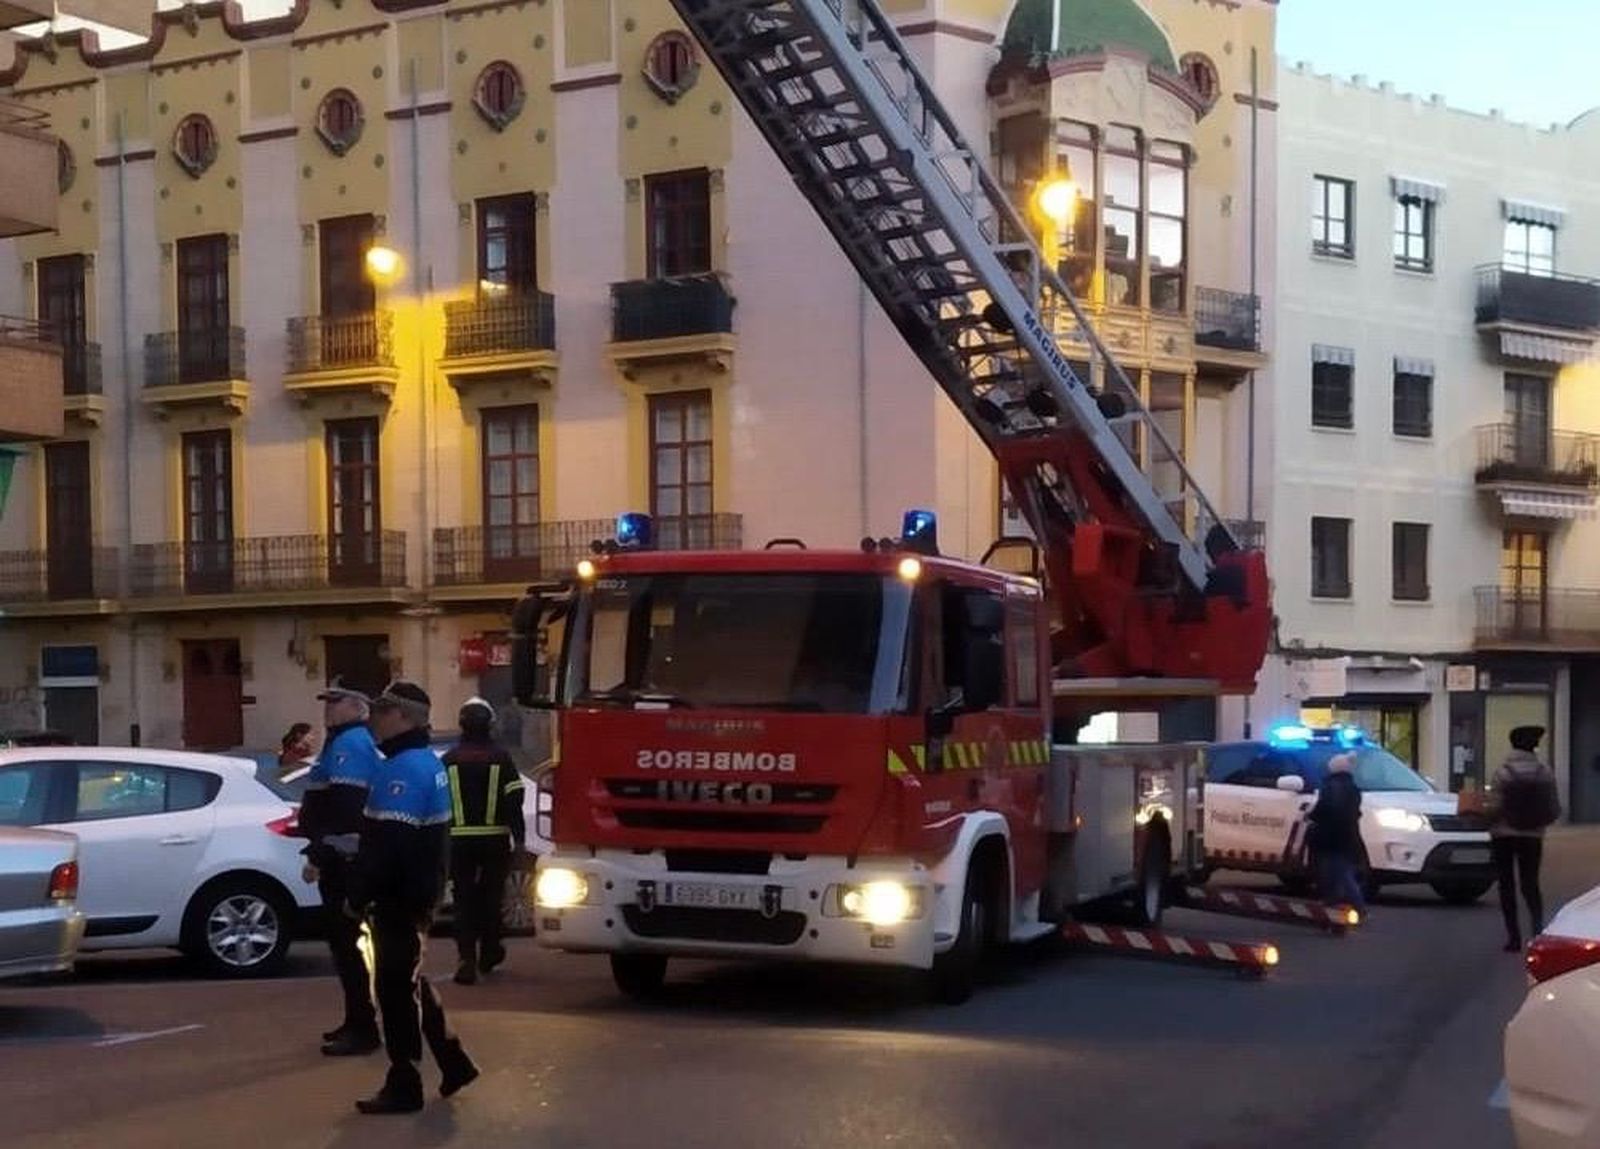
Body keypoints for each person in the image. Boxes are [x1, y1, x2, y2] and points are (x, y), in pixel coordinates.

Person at [347, 680, 478, 1115]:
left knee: (393, 991)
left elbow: (387, 846)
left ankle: (404, 1082)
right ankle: (453, 1059)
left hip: (398, 898)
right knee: (409, 980)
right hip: (420, 892)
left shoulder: (402, 769)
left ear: (402, 717)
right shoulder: (428, 762)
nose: (374, 720)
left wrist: (358, 894)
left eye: (382, 712)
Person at [297, 681, 381, 1057]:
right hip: (339, 856)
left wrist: (323, 853)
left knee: (347, 946)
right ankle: (356, 1019)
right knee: (344, 947)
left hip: (344, 861)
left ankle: (363, 1026)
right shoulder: (340, 742)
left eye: (337, 702)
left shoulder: (351, 744)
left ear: (359, 707)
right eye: (327, 702)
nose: (328, 709)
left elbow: (346, 811)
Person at [443, 697, 527, 985]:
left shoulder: (449, 760)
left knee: (463, 900)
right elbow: (515, 799)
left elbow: (439, 803)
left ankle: (466, 958)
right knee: (492, 898)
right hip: (494, 840)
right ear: (490, 725)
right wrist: (520, 840)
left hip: (458, 842)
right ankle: (490, 950)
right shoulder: (501, 758)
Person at [1488, 725, 1561, 953]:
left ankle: (1513, 938)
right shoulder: (1545, 772)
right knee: (1531, 884)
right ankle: (1537, 933)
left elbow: (1496, 806)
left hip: (1503, 835)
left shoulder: (1503, 772)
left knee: (1506, 884)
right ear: (1534, 747)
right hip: (1532, 835)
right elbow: (1555, 808)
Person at [1305, 752, 1366, 913]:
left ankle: (1353, 906)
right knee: (1341, 871)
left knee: (1334, 872)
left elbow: (1326, 808)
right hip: (1347, 836)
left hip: (1330, 836)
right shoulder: (1353, 788)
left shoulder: (1331, 787)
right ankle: (1335, 903)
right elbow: (1353, 812)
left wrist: (1310, 815)